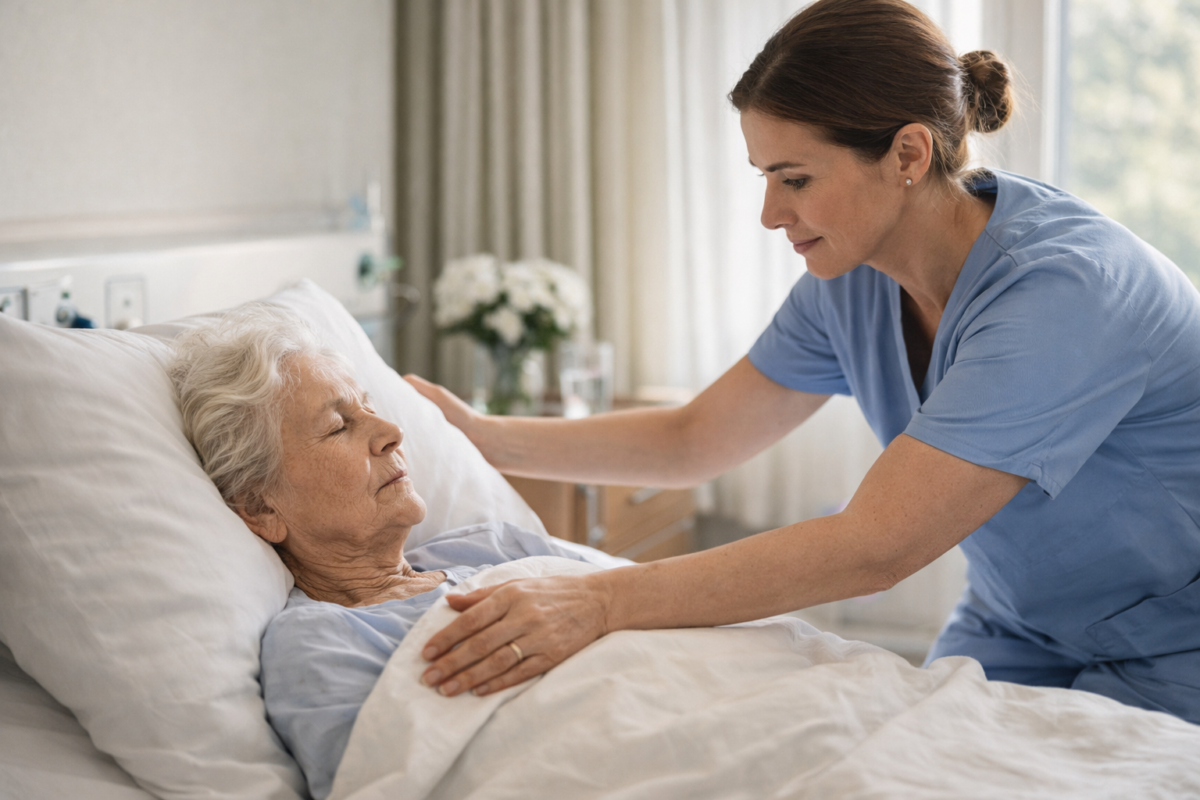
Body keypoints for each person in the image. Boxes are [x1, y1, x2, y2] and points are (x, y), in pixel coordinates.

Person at [405, 0, 1200, 725]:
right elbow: (697, 440)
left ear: (909, 154)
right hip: (1019, 621)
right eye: (764, 178)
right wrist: (481, 435)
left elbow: (876, 546)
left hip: (1176, 641)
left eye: (796, 179)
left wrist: (601, 601)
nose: (769, 214)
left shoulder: (1063, 290)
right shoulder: (853, 278)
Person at [168, 305, 625, 800]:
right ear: (260, 508)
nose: (392, 433)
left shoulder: (497, 545)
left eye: (368, 407)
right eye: (339, 426)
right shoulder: (321, 646)